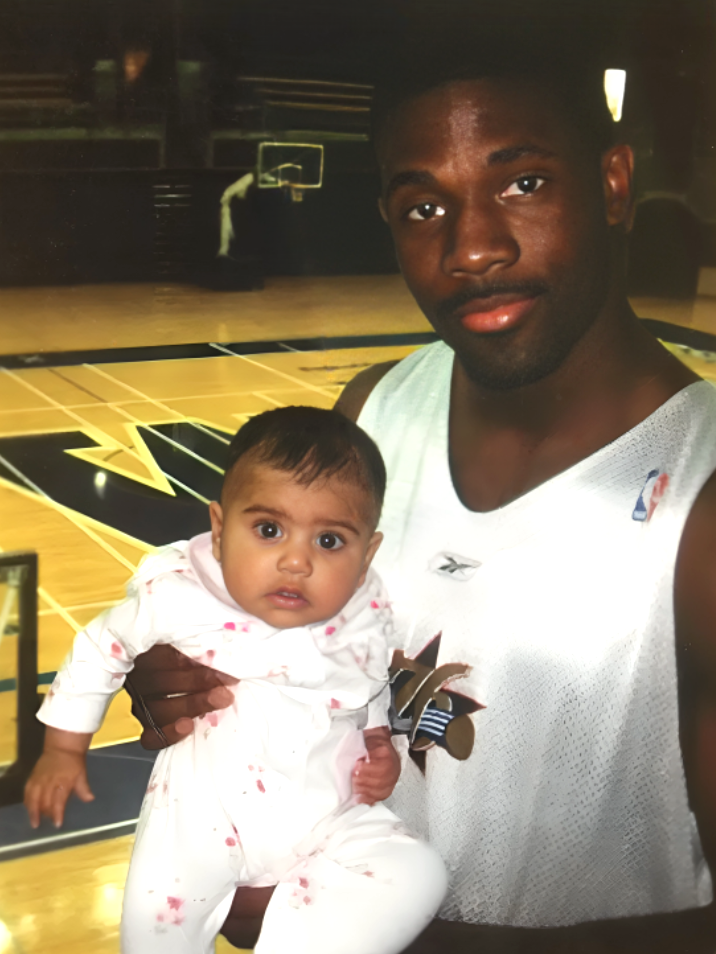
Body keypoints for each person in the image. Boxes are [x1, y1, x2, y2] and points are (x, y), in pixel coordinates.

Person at [126, 42, 716, 953]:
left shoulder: (700, 493)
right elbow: (297, 656)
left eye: (522, 184)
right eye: (425, 206)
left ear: (611, 183)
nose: (472, 247)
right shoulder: (371, 411)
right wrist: (194, 686)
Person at [24, 407, 447, 954]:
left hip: (326, 816)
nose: (295, 560)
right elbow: (101, 646)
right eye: (269, 530)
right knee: (158, 925)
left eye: (330, 541)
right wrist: (63, 745)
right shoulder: (181, 595)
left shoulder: (362, 615)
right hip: (200, 824)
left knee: (417, 870)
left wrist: (376, 744)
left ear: (367, 555)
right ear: (220, 531)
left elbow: (366, 690)